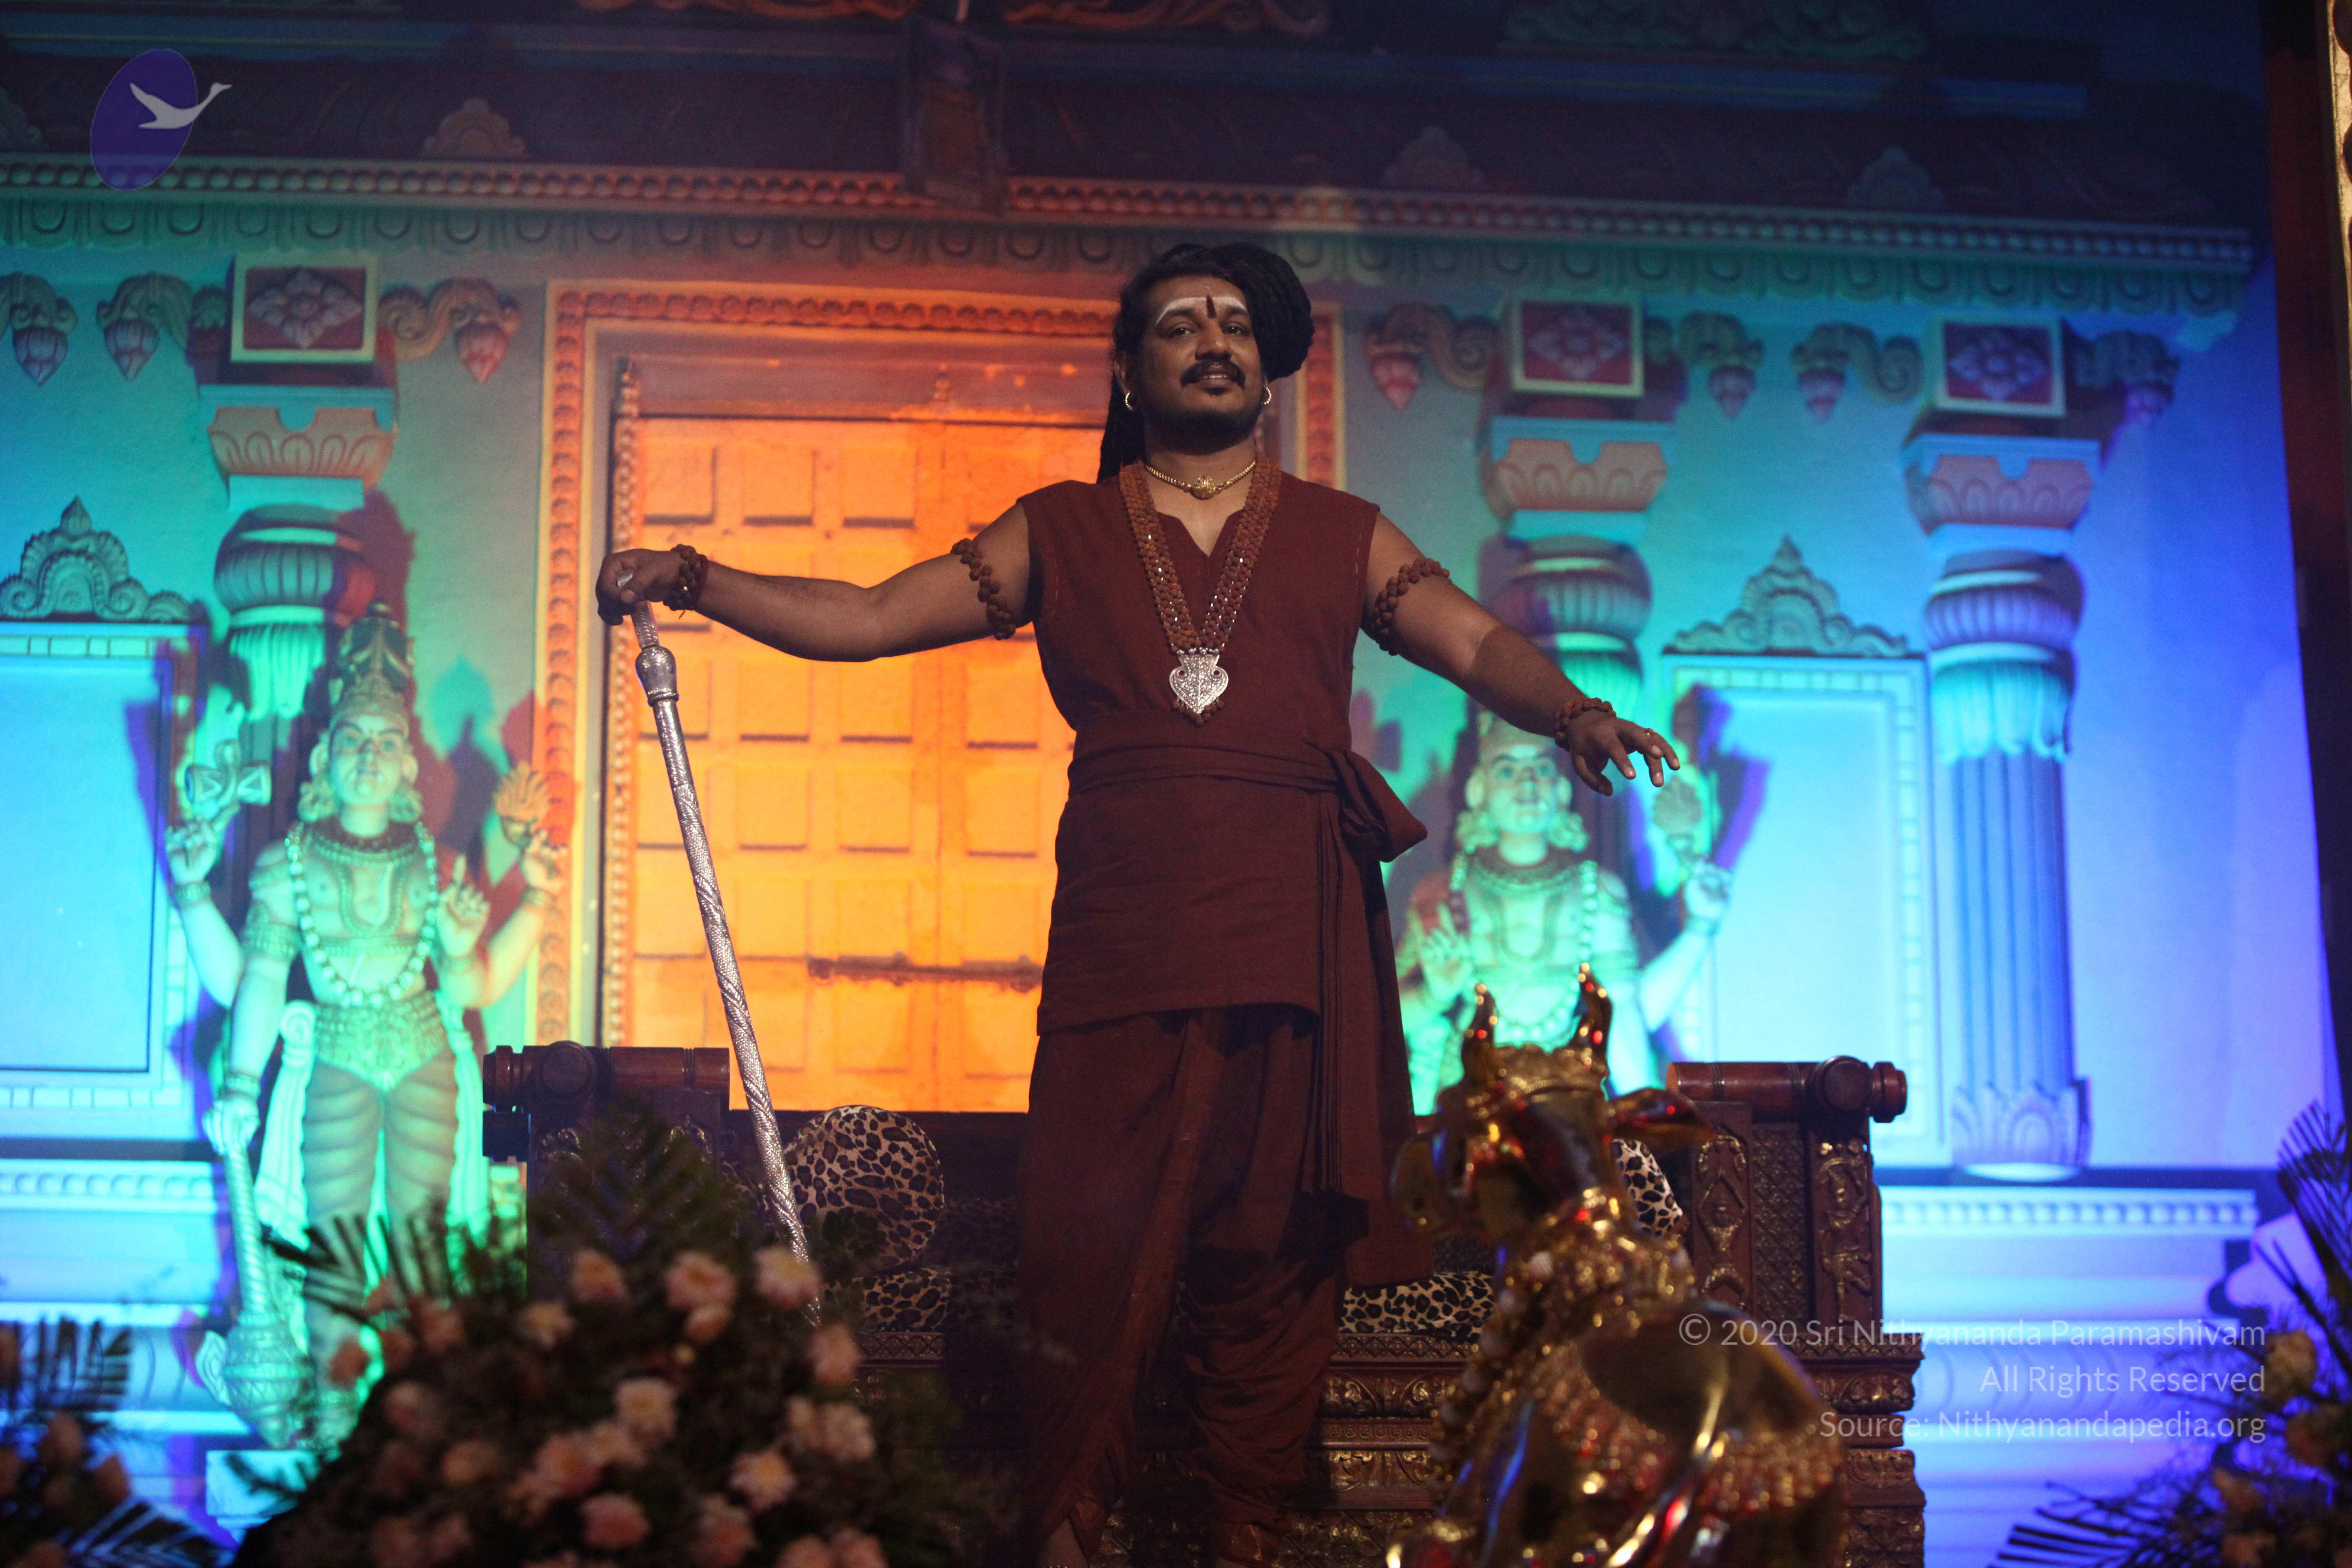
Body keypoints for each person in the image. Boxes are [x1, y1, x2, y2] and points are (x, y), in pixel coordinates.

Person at [594, 242, 1681, 1568]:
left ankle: (1245, 1542)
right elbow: (871, 617)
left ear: (1267, 375)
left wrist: (1572, 714)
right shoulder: (1062, 528)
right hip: (1127, 931)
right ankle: (1066, 1535)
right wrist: (697, 579)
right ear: (1128, 372)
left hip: (1296, 930)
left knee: (1275, 1253)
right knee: (1084, 1247)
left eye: (1235, 326)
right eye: (1180, 325)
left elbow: (1473, 640)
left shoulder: (1342, 532)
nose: (1213, 341)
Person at [198, 608, 564, 1442]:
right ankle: (334, 1425)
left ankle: (422, 1429)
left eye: (385, 742)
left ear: (407, 764)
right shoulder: (288, 864)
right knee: (329, 1248)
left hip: (425, 1055)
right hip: (336, 1056)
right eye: (352, 739)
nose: (368, 755)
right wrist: (241, 1084)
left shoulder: (436, 863)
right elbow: (260, 979)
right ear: (323, 757)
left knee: (427, 1248)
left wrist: (532, 902)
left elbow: (474, 983)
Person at [1399, 716, 1731, 1107]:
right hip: (1469, 1094)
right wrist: (1433, 995)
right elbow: (1386, 1019)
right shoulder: (1443, 891)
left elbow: (1625, 1013)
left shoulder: (1596, 891)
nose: (1527, 784)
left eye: (1541, 769)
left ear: (1561, 790)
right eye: (1507, 770)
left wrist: (1701, 927)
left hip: (1568, 1097)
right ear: (1478, 790)